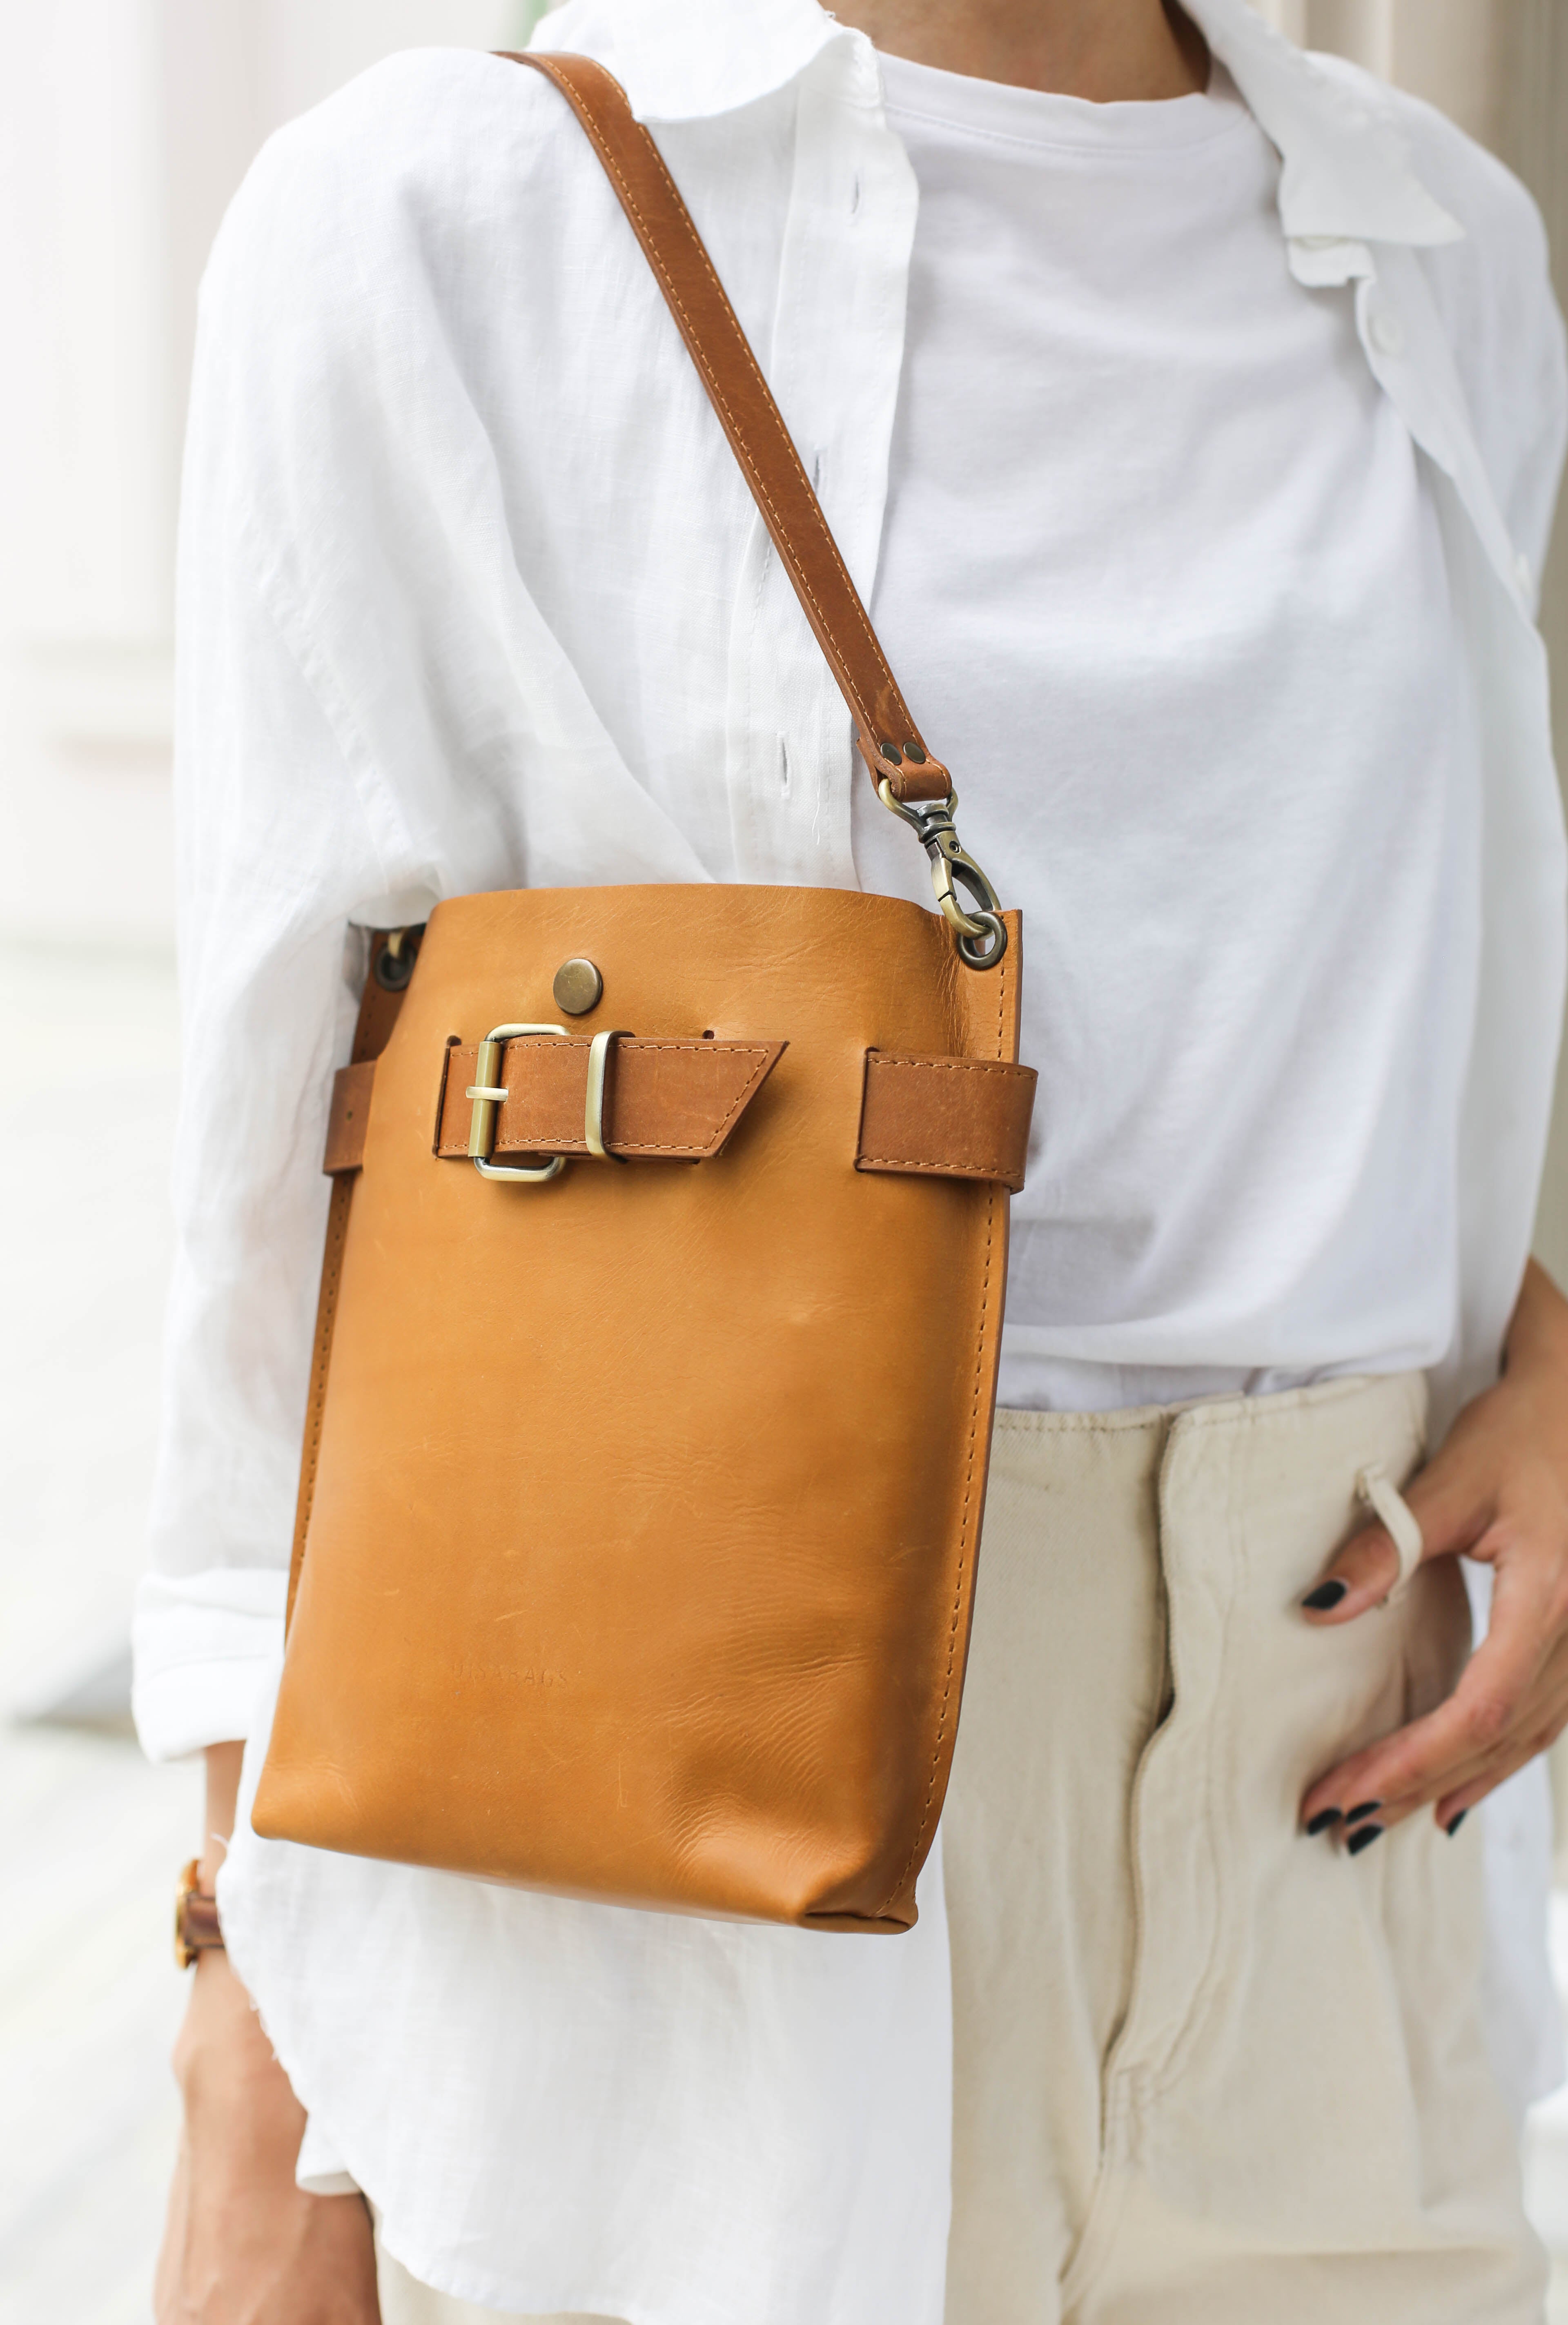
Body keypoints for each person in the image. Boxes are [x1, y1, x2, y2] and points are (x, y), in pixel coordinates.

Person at [139, 0, 1568, 2317]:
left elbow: (1383, 982)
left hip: (1345, 1850)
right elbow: (268, 1215)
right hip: (678, 1927)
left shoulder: (1441, 253)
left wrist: (1537, 1337)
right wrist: (252, 2048)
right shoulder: (436, 218)